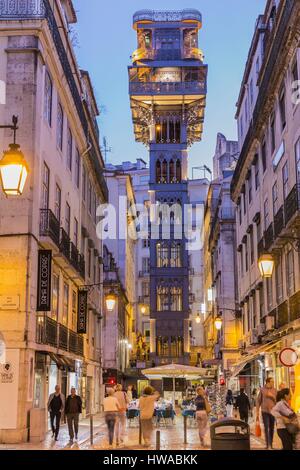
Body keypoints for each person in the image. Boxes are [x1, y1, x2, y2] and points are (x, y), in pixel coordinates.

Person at [256, 377, 277, 449]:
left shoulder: (274, 390)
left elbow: (277, 401)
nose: (273, 383)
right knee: (266, 427)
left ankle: (271, 444)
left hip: (273, 412)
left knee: (272, 428)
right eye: (272, 381)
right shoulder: (262, 390)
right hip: (264, 411)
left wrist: (272, 396)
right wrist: (257, 411)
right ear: (267, 382)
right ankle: (268, 445)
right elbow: (258, 401)